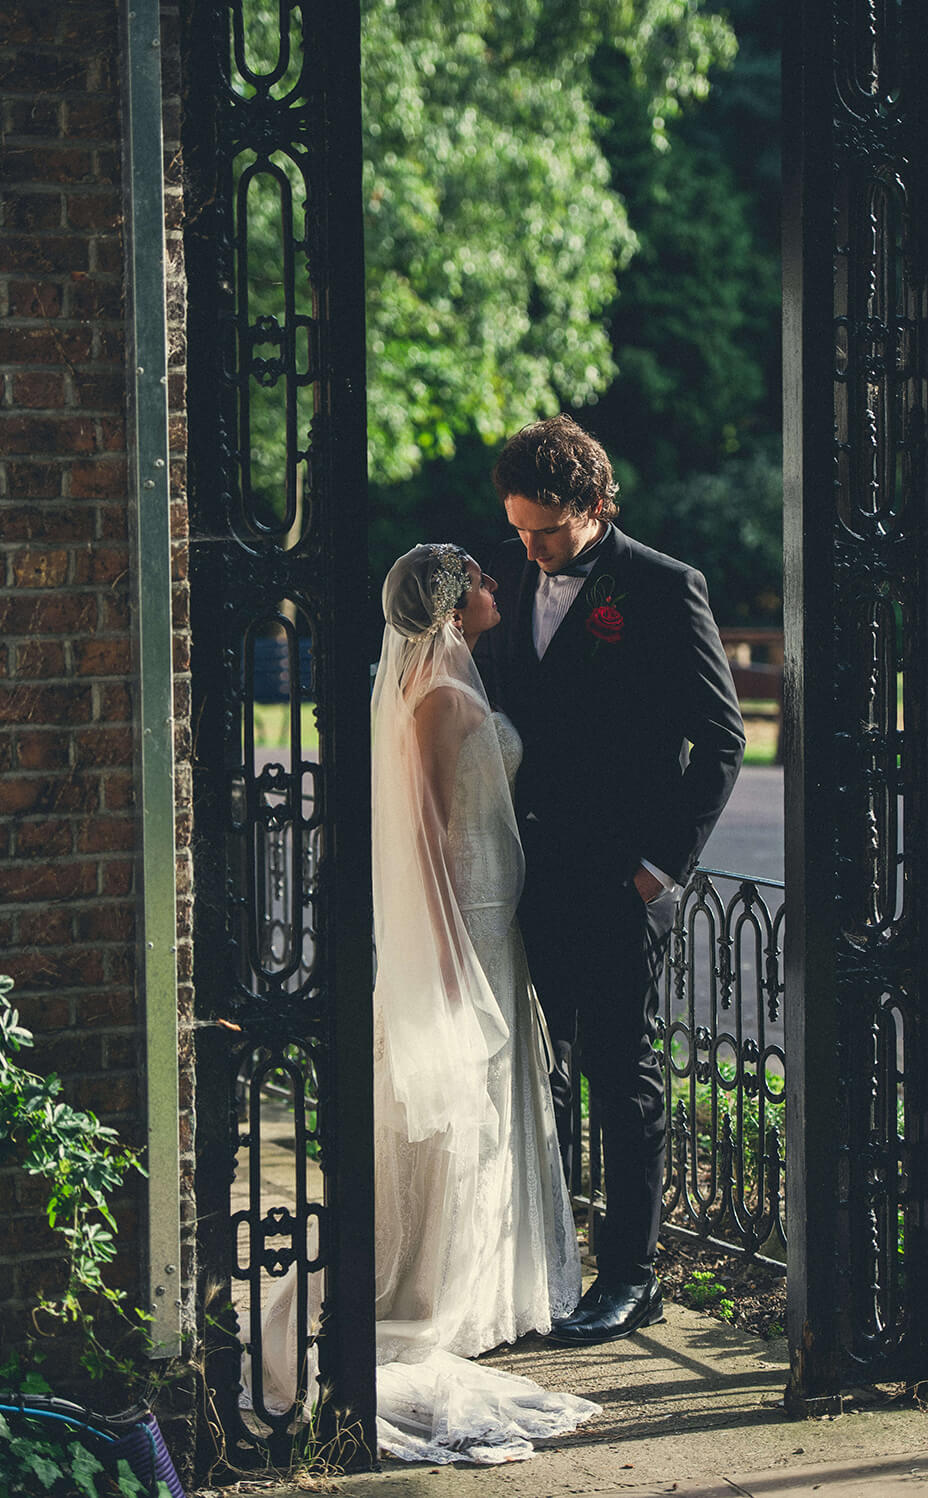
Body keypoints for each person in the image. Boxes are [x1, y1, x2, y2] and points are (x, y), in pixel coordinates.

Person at [254, 543, 599, 1463]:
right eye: (479, 580)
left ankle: (471, 1278)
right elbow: (432, 829)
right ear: (451, 606)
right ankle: (433, 1284)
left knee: (479, 1102)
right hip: (466, 921)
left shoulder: (449, 677)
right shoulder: (442, 695)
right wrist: (447, 953)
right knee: (457, 1101)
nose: (494, 586)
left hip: (489, 917)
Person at [482, 414, 746, 1347]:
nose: (530, 549)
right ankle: (548, 1265)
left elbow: (723, 740)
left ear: (595, 505)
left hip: (618, 878)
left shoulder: (666, 588)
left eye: (546, 531)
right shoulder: (509, 575)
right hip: (527, 872)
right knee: (540, 1074)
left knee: (620, 1077)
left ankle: (631, 1276)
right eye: (519, 530)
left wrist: (657, 869)